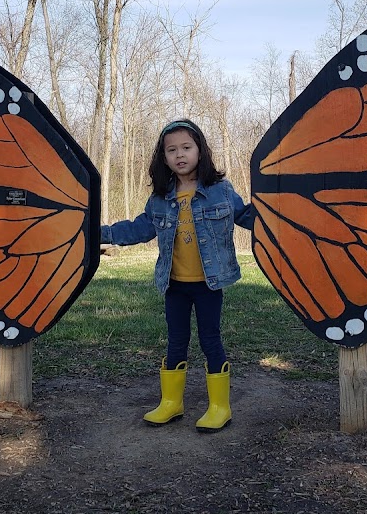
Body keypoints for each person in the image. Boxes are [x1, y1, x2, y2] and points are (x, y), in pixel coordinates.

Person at [100, 119, 254, 432]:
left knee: (211, 340)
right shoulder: (160, 197)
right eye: (172, 150)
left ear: (200, 151)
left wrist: (280, 216)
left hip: (209, 285)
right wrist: (101, 233)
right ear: (164, 157)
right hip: (175, 286)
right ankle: (171, 403)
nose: (179, 155)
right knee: (175, 342)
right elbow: (139, 229)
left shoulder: (220, 190)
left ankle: (219, 407)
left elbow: (246, 216)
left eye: (186, 147)